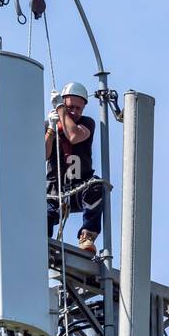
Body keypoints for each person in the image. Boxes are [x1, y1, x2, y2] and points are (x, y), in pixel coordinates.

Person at [45, 80, 103, 254]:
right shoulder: (51, 125)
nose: (75, 112)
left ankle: (87, 236)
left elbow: (73, 136)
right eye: (71, 107)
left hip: (80, 188)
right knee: (42, 212)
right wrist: (50, 129)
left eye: (79, 108)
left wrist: (61, 108)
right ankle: (42, 245)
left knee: (96, 186)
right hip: (55, 192)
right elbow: (42, 155)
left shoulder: (86, 123)